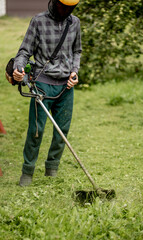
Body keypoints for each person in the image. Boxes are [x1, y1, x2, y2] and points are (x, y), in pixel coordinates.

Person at [13, 0, 82, 186]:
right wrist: (19, 68)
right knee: (36, 130)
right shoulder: (38, 21)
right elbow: (24, 51)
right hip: (42, 84)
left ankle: (52, 169)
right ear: (54, 2)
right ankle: (27, 172)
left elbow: (77, 51)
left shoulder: (74, 22)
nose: (66, 11)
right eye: (63, 6)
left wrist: (75, 72)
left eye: (70, 8)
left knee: (62, 131)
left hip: (66, 86)